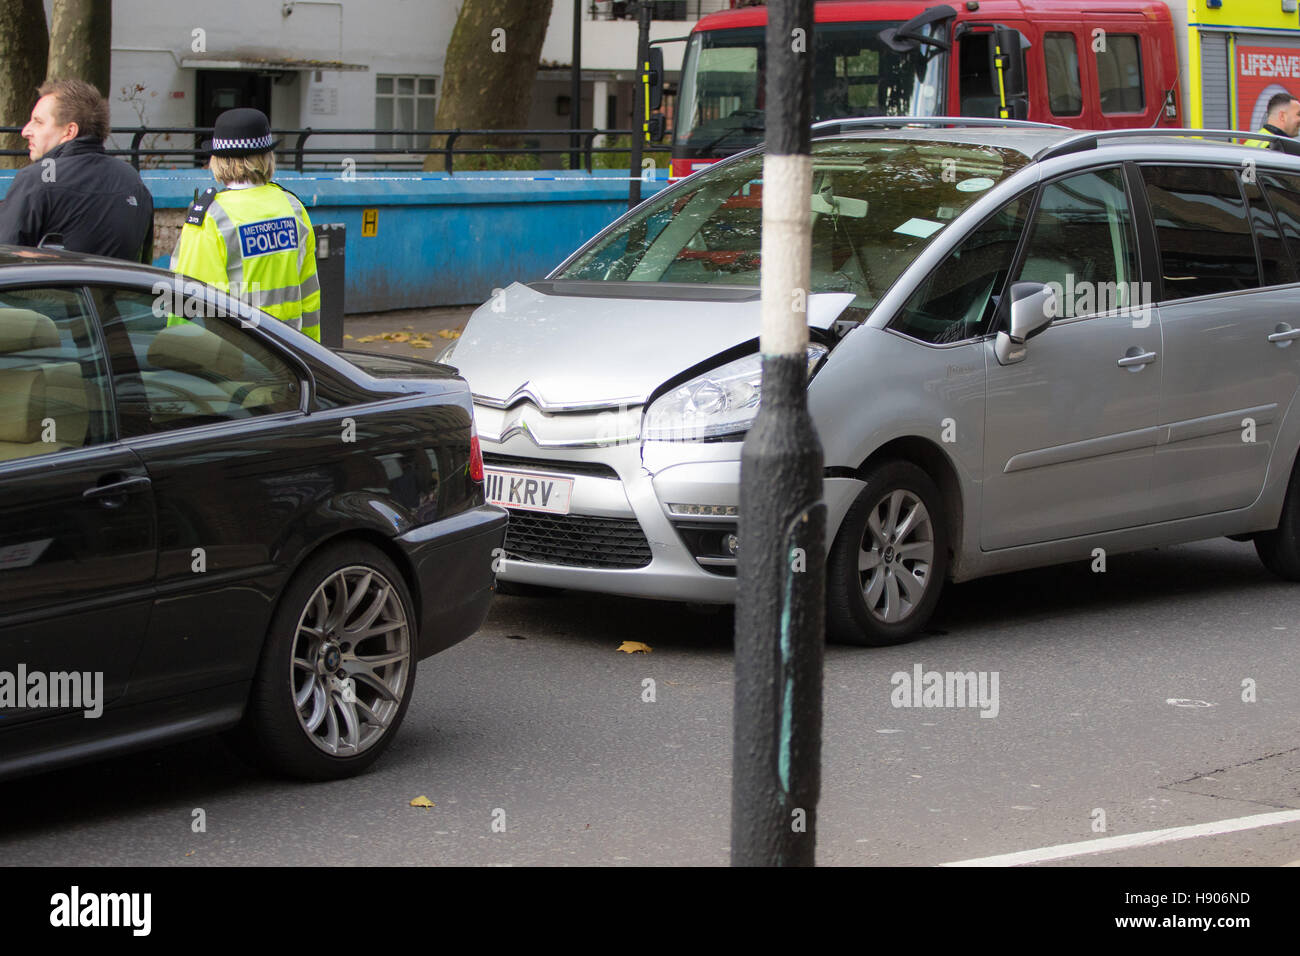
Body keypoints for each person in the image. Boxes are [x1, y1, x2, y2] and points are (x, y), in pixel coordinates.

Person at [170, 107, 321, 341]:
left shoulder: (211, 217)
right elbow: (310, 297)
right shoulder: (293, 207)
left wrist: (176, 356)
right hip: (292, 353)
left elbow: (187, 303)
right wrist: (313, 356)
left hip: (239, 360)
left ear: (218, 160)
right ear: (266, 157)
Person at [0, 78, 154, 262]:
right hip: (119, 289)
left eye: (38, 122)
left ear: (69, 131)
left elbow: (5, 259)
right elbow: (144, 262)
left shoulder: (37, 178)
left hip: (55, 290)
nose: (25, 131)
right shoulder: (133, 181)